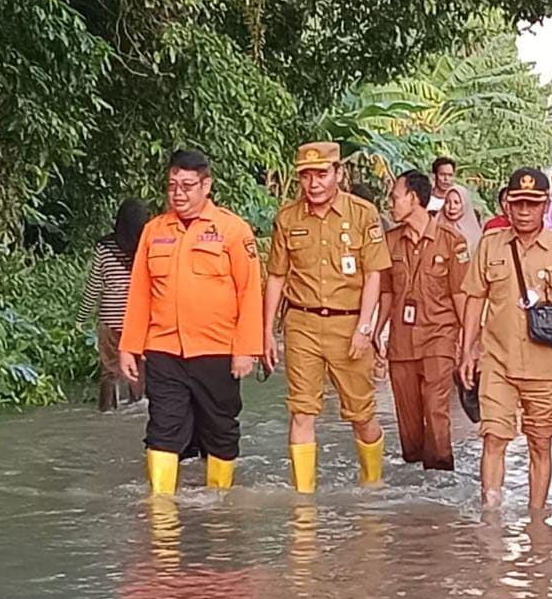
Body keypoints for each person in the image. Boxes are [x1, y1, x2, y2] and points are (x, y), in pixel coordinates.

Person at [460, 168, 552, 513]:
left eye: (532, 204)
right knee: (493, 438)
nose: (524, 211)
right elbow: (473, 300)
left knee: (540, 445)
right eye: (518, 204)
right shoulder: (490, 245)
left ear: (546, 207)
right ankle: (491, 518)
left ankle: (537, 520)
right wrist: (466, 351)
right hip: (497, 361)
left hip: (546, 368)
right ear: (507, 206)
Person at [119, 150, 263, 494]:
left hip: (216, 350)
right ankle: (161, 508)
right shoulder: (154, 231)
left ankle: (218, 505)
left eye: (187, 185)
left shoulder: (232, 229)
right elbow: (140, 293)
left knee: (220, 429)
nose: (178, 194)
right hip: (164, 349)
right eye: (172, 186)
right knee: (162, 429)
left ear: (206, 185)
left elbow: (249, 293)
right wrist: (129, 347)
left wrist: (246, 349)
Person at [263, 142, 392, 492]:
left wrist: (365, 328)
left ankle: (372, 483)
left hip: (350, 325)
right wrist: (266, 333)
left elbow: (374, 275)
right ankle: (304, 498)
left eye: (322, 174)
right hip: (301, 325)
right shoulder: (288, 218)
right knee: (302, 412)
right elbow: (276, 276)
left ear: (339, 174)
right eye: (306, 176)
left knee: (361, 414)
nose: (314, 183)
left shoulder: (364, 214)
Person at [375, 171, 469, 471]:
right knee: (409, 424)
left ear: (413, 198)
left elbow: (460, 297)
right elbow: (387, 292)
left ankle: (442, 479)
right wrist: (377, 331)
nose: (391, 203)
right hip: (401, 342)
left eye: (395, 197)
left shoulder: (451, 241)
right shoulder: (389, 242)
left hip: (439, 338)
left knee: (437, 411)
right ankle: (415, 495)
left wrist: (469, 347)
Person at [79, 198, 149, 411]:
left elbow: (94, 285)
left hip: (110, 320)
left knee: (109, 370)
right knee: (137, 368)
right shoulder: (147, 246)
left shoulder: (104, 247)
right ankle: (137, 406)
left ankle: (107, 410)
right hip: (138, 321)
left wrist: (82, 317)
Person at [441, 184, 483, 254]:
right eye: (447, 202)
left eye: (456, 202)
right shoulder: (435, 228)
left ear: (465, 205)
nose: (452, 206)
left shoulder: (475, 234)